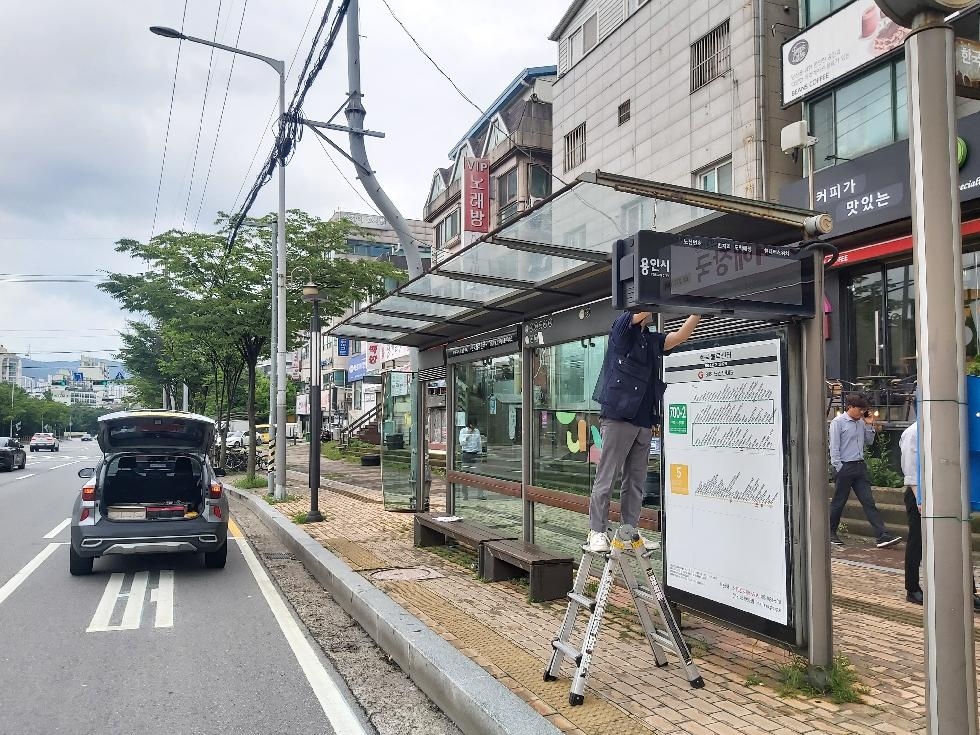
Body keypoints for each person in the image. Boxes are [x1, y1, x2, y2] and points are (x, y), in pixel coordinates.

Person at [586, 311, 701, 553]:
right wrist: (660, 291)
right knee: (607, 478)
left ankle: (628, 532)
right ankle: (597, 531)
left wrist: (696, 311)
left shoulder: (650, 340)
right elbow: (640, 311)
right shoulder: (621, 329)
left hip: (643, 421)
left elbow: (679, 337)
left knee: (635, 482)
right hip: (618, 416)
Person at [899, 420, 980, 609]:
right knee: (917, 541)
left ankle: (968, 591)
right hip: (920, 493)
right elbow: (910, 469)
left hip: (947, 492)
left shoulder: (946, 425)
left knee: (958, 540)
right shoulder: (913, 433)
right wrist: (920, 498)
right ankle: (912, 588)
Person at [828, 394, 901, 548]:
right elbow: (834, 447)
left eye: (864, 409)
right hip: (845, 467)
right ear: (850, 407)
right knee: (839, 502)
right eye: (859, 409)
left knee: (868, 501)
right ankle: (830, 532)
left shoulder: (861, 423)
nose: (862, 412)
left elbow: (868, 442)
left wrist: (869, 425)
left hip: (860, 467)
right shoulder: (838, 422)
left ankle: (882, 535)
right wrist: (839, 467)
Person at [458, 420, 485, 500]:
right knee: (465, 475)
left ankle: (480, 494)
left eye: (475, 426)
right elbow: (462, 443)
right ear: (469, 425)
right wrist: (468, 434)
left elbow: (479, 443)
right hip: (466, 454)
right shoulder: (463, 431)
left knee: (478, 475)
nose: (474, 428)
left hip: (475, 454)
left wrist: (480, 454)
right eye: (472, 426)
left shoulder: (477, 431)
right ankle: (465, 495)